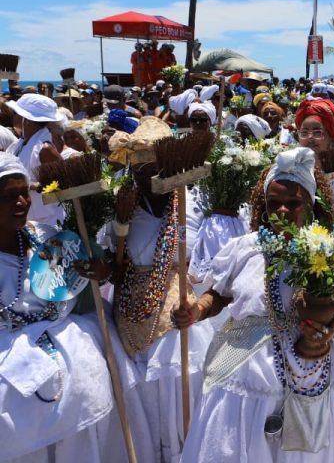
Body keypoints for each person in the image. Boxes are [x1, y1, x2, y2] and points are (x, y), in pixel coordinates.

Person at [178, 148, 334, 462]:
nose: (282, 210)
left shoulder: (329, 249)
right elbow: (218, 294)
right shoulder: (243, 248)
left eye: (294, 203)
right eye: (273, 203)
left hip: (319, 369)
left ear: (312, 204)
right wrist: (197, 309)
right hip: (246, 371)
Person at [96, 117, 215, 462]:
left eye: (153, 167)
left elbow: (200, 259)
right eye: (140, 168)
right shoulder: (122, 205)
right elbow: (115, 266)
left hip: (173, 308)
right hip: (129, 312)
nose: (146, 176)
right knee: (140, 399)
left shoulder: (189, 202)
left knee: (177, 389)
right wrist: (118, 228)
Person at [0, 153, 126, 461]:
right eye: (8, 196)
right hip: (7, 349)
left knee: (86, 387)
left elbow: (65, 279)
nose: (21, 202)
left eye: (23, 193)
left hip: (65, 339)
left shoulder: (46, 239)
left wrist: (100, 271)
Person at [6, 93, 65, 227]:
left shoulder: (45, 149)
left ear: (27, 119)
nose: (12, 114)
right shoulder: (19, 144)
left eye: (15, 112)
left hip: (46, 223)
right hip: (26, 219)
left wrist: (31, 185)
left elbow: (64, 186)